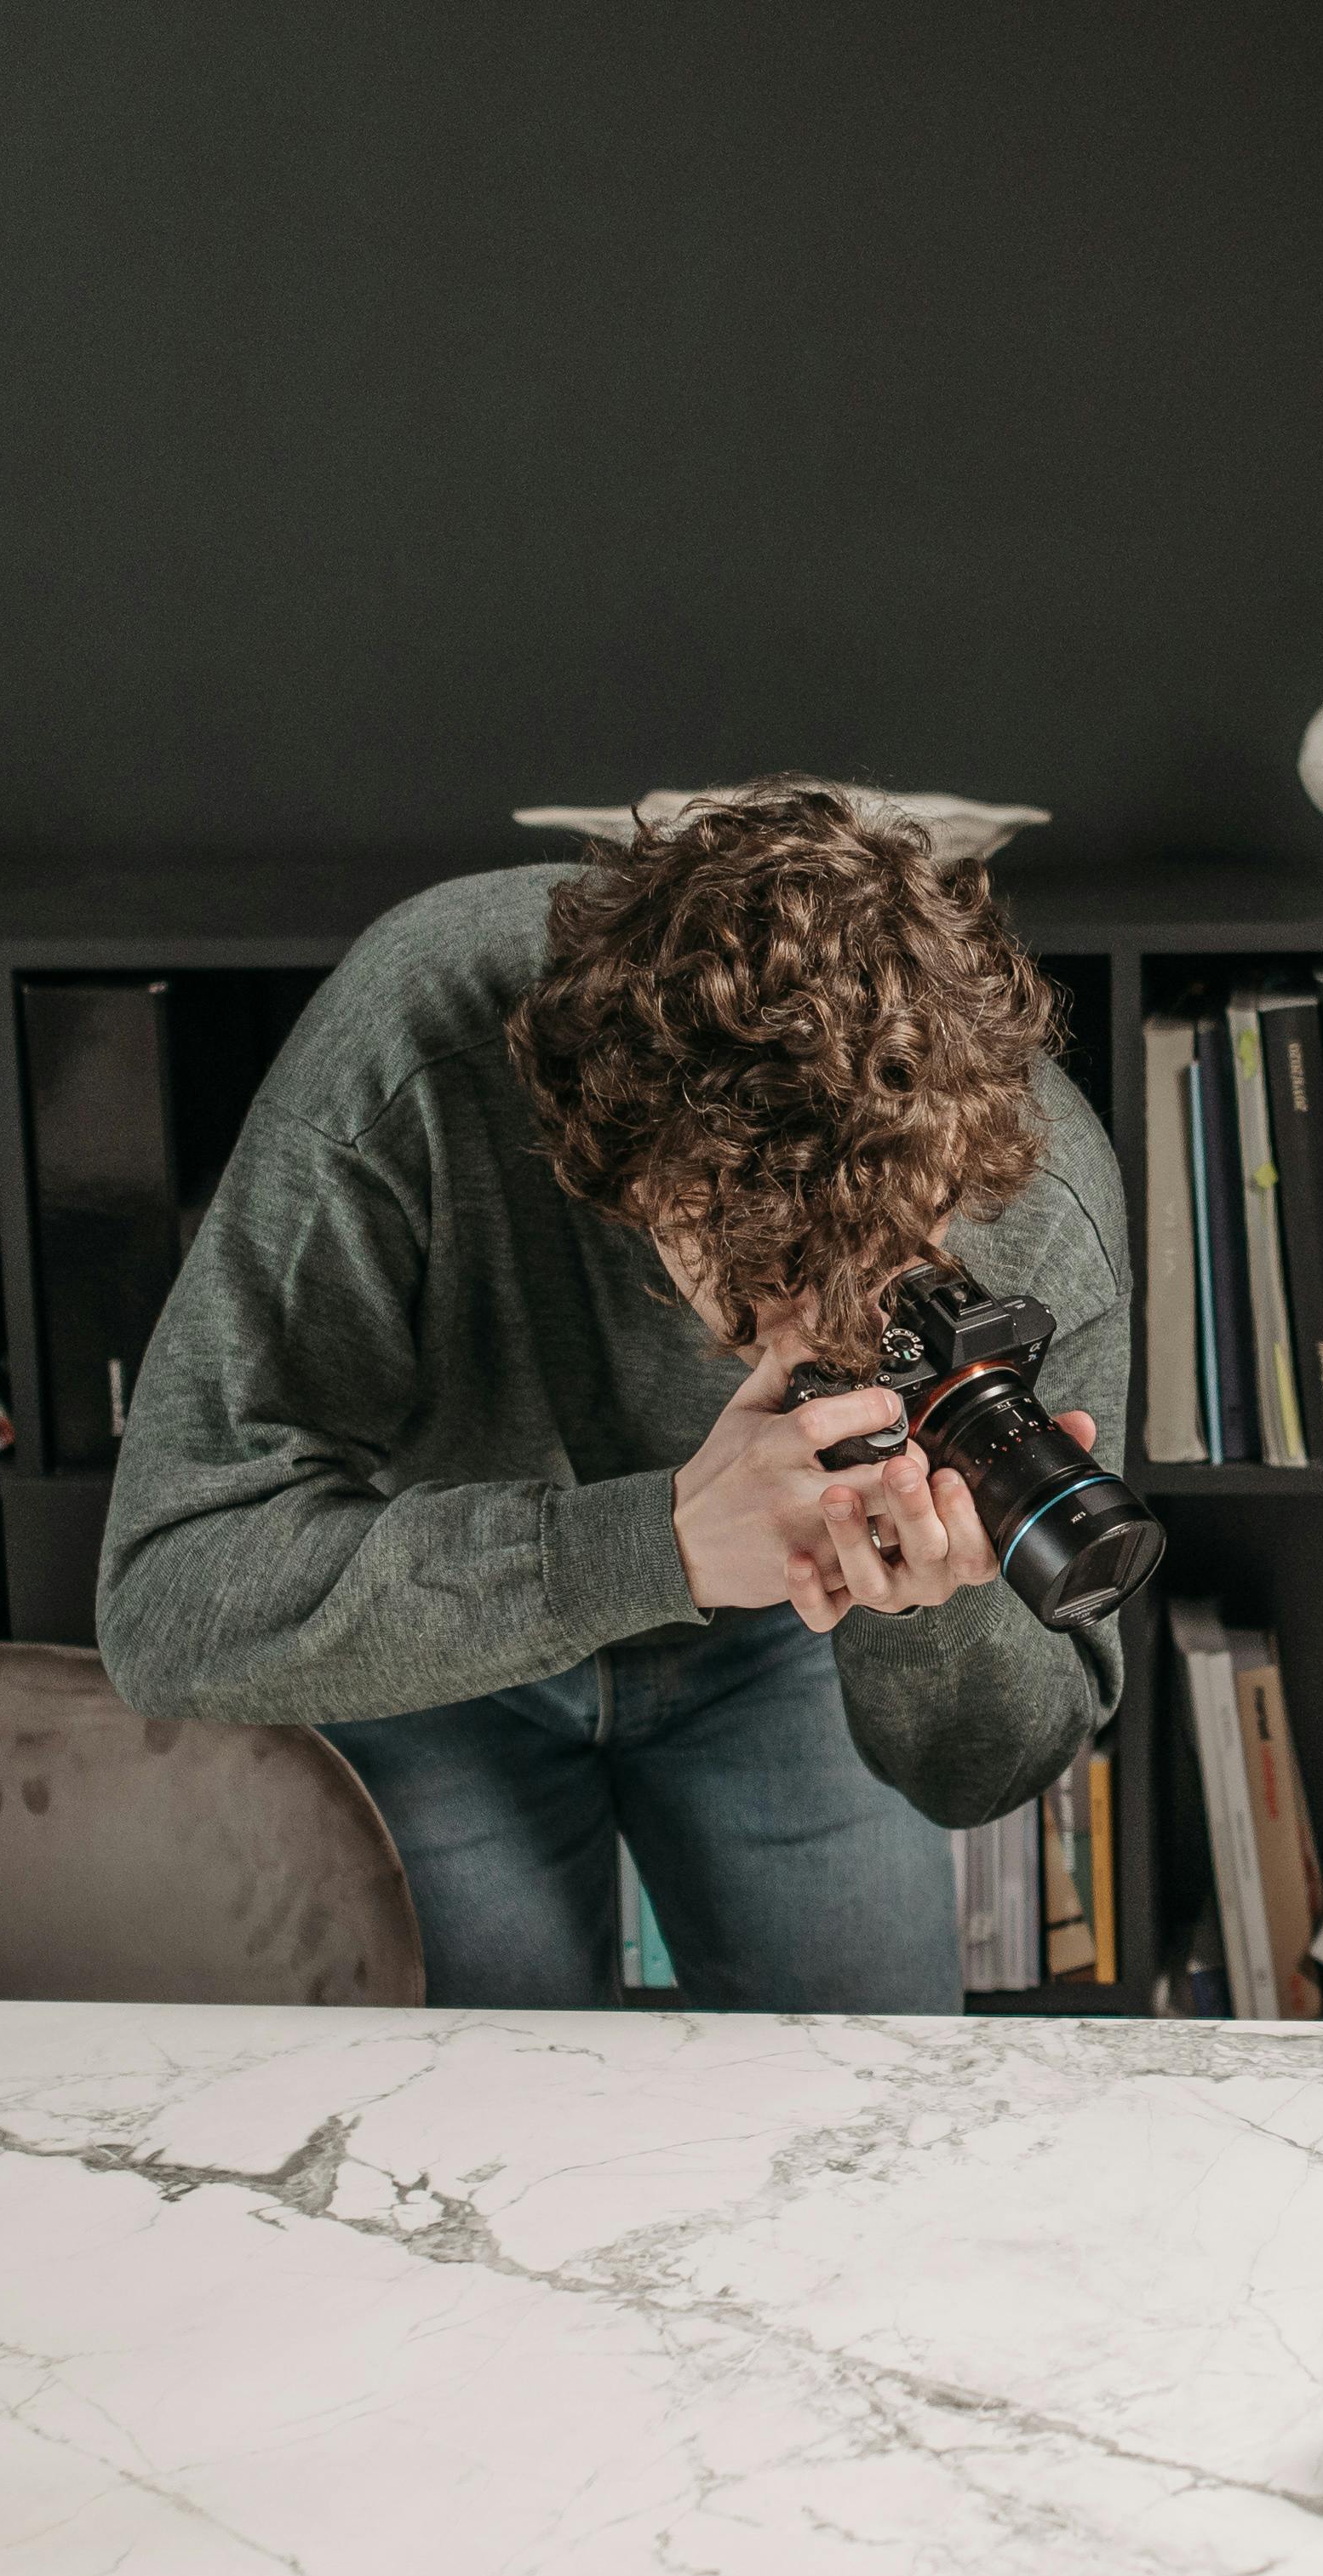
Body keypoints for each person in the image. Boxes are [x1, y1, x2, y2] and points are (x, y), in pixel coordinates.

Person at [94, 784, 1129, 2011]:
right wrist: (659, 1548)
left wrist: (922, 1606)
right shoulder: (419, 1040)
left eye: (890, 1262)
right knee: (485, 2139)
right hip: (437, 1622)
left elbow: (983, 1775)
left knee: (868, 2107)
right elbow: (164, 1602)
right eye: (766, 1279)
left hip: (791, 1640)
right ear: (621, 1172)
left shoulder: (1036, 1194)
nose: (831, 1340)